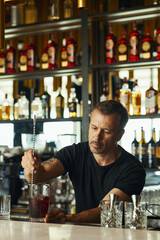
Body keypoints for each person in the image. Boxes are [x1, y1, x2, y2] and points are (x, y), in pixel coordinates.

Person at [21, 100, 146, 224]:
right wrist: (31, 166)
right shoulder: (76, 153)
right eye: (94, 128)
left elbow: (107, 211)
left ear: (120, 135)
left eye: (106, 131)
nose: (97, 136)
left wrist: (68, 218)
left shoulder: (133, 169)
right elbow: (38, 176)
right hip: (80, 233)